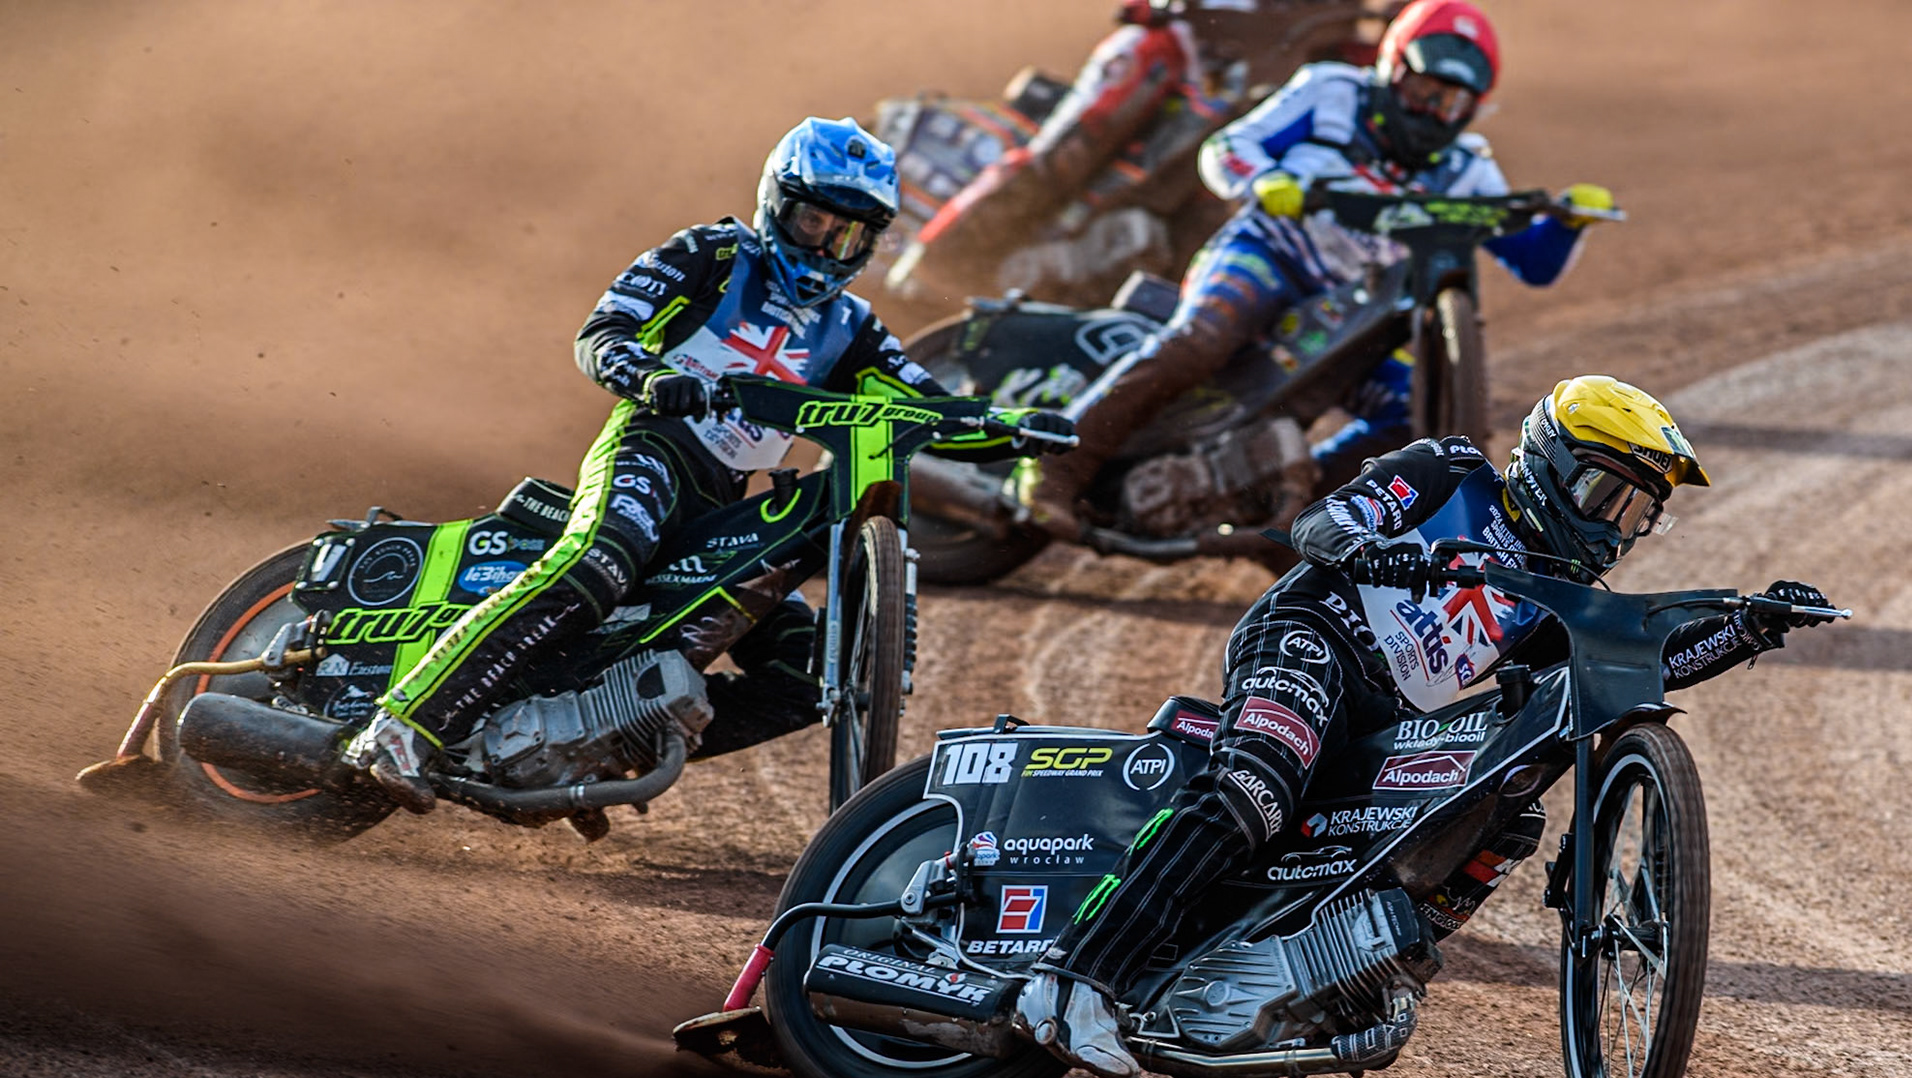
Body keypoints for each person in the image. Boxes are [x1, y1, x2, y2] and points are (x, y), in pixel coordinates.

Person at [1014, 374, 1837, 1078]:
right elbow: (1321, 525)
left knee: (1503, 809)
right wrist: (1377, 550)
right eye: (1604, 496)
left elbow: (1632, 668)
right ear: (1550, 461)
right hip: (1312, 634)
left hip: (1385, 714)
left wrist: (1749, 627)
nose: (1614, 528)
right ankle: (1071, 978)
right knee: (1256, 787)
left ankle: (1355, 971)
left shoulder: (1549, 588)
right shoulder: (1450, 472)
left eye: (1635, 514)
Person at [345, 117, 1067, 813]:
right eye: (813, 220)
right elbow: (603, 332)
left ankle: (595, 750)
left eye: (849, 231)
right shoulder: (714, 254)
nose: (826, 244)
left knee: (807, 674)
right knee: (602, 558)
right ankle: (403, 723)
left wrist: (1014, 427)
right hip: (652, 449)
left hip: (722, 503)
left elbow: (927, 406)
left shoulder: (854, 329)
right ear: (776, 204)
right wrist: (653, 378)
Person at [1028, 0, 1613, 540]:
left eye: (1453, 102)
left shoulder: (1468, 170)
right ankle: (1055, 466)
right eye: (1425, 90)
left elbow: (1534, 264)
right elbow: (1226, 149)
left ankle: (1304, 525)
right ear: (1393, 66)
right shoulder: (1329, 90)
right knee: (1200, 337)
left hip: (1347, 314)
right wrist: (1263, 179)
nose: (1434, 112)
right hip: (1266, 252)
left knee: (1409, 417)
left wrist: (1568, 223)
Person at [907, 0, 1310, 301]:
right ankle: (937, 273)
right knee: (1102, 200)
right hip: (1112, 225)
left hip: (1187, 252)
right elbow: (1063, 156)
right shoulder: (1163, 42)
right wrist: (939, 261)